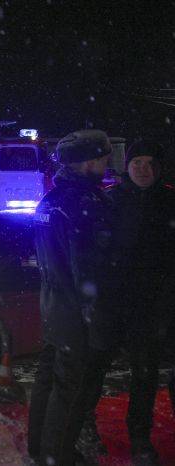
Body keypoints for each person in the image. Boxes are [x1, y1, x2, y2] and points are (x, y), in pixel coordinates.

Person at [27, 130, 120, 465]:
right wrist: (96, 322)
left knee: (48, 379)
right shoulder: (84, 205)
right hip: (77, 313)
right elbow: (88, 271)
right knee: (72, 390)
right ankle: (57, 456)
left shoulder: (51, 200)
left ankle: (39, 449)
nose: (107, 165)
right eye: (104, 159)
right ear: (88, 162)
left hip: (54, 306)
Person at [107, 141, 175, 464]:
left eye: (149, 163)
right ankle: (140, 439)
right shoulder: (113, 201)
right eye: (137, 163)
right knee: (144, 375)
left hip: (170, 304)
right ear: (127, 167)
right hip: (137, 309)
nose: (143, 169)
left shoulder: (170, 200)